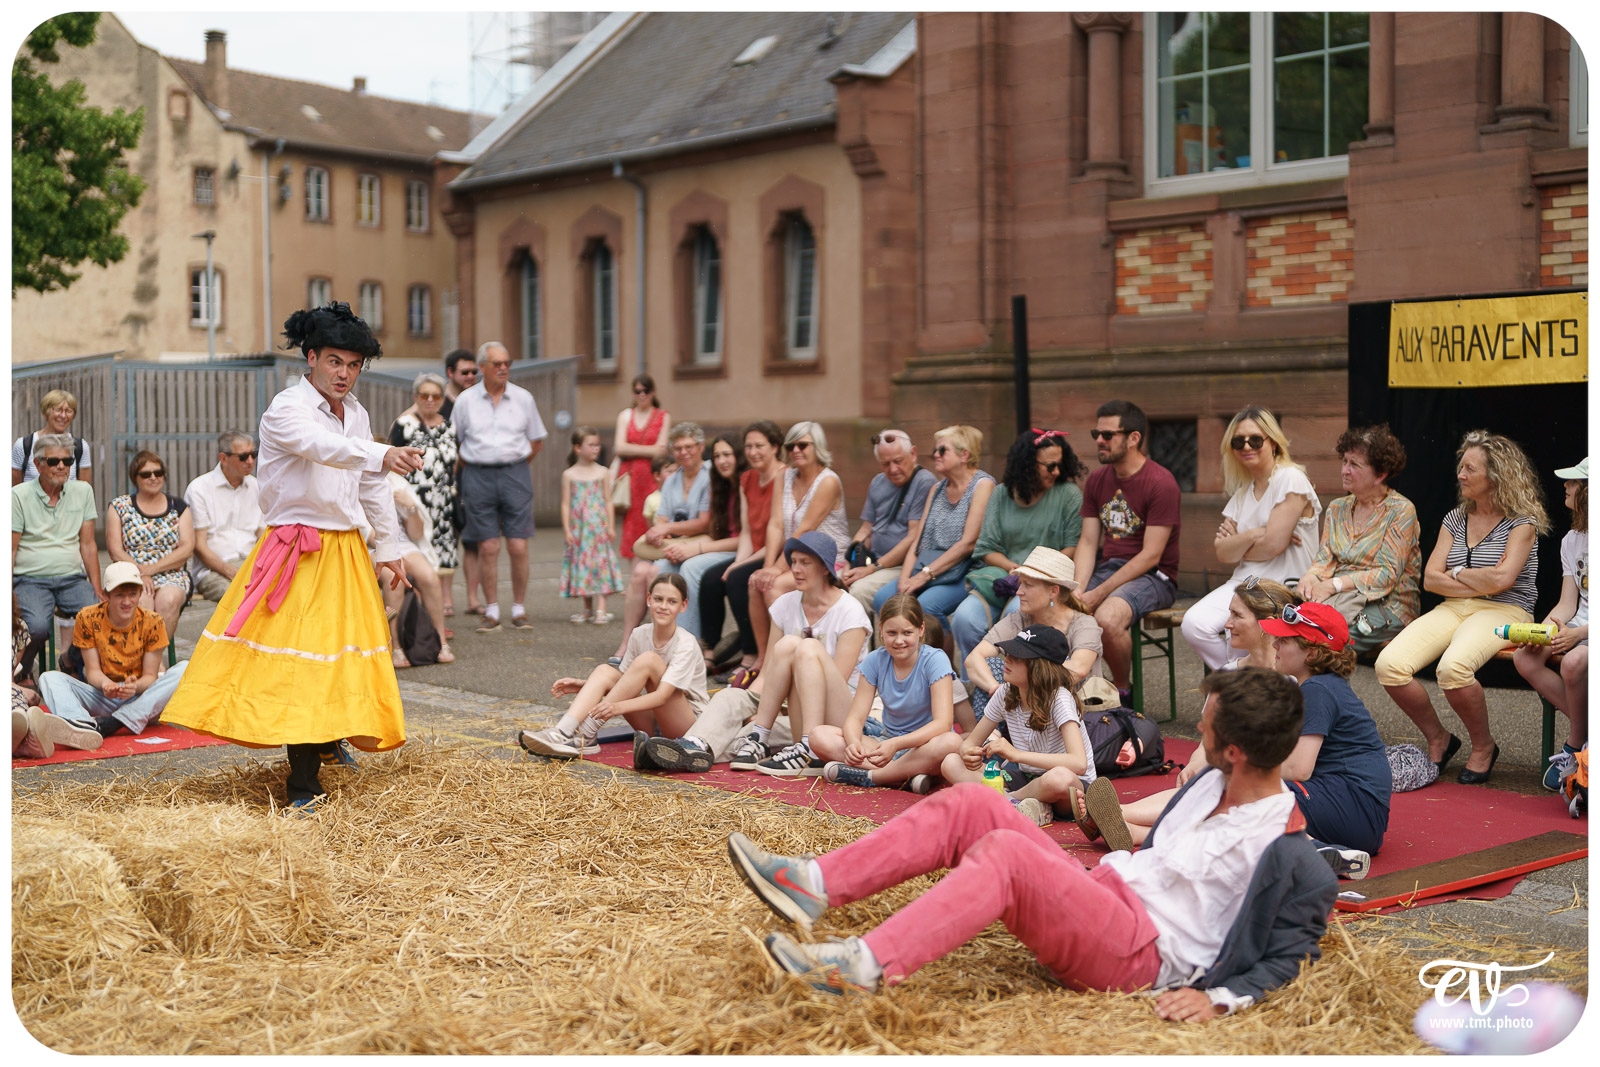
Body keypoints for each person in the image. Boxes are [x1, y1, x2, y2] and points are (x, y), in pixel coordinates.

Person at [725, 666, 1337, 1013]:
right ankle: (812, 885)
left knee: (1009, 854)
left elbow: (1292, 956)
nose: (1196, 724)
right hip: (1105, 894)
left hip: (1139, 953)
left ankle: (862, 966)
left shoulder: (1289, 854)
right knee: (970, 803)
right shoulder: (1210, 781)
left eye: (1206, 723)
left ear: (1235, 749)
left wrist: (1220, 1000)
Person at [161, 301, 423, 811]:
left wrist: (389, 549)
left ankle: (327, 738)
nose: (344, 373)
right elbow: (320, 446)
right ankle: (301, 785)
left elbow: (371, 486)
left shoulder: (358, 413)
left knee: (344, 655)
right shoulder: (287, 407)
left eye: (353, 364)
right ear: (311, 357)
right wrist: (380, 451)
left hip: (344, 548)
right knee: (300, 665)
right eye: (334, 361)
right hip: (295, 549)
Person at [1093, 600, 1390, 879]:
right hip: (1352, 809)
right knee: (1234, 795)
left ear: (1311, 653)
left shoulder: (1318, 690)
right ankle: (1128, 826)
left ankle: (1120, 816)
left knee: (1234, 788)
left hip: (1352, 809)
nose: (1275, 644)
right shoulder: (1319, 687)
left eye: (1285, 641)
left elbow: (1299, 769)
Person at [1376, 430, 1547, 786]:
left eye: (1470, 468)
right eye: (1461, 466)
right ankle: (1440, 738)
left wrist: (1457, 573)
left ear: (1496, 477)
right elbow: (1431, 580)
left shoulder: (1521, 523)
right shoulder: (1455, 518)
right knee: (1389, 665)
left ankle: (1483, 746)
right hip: (1453, 607)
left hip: (1505, 611)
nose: (1461, 474)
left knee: (1454, 668)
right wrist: (1476, 578)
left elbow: (1504, 580)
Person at [1181, 407, 1321, 671]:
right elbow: (1223, 554)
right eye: (1238, 441)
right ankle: (1237, 677)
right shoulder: (1244, 492)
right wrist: (1257, 533)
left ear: (1274, 443)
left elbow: (1272, 547)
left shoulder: (1291, 479)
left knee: (1241, 633)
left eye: (1255, 439)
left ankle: (1240, 684)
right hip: (1242, 584)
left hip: (1282, 586)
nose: (1246, 446)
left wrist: (1240, 543)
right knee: (1194, 624)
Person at [519, 573, 709, 765]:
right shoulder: (639, 634)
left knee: (649, 660)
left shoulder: (686, 643)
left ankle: (585, 731)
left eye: (672, 601)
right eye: (658, 599)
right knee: (605, 670)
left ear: (683, 606)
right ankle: (565, 731)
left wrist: (615, 708)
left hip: (687, 729)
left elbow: (662, 697)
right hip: (653, 724)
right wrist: (587, 685)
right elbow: (625, 682)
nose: (663, 606)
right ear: (648, 599)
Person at [1072, 399, 1181, 694]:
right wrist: (1079, 588)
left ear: (1134, 438)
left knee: (1107, 619)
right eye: (1097, 433)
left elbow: (1151, 555)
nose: (1099, 440)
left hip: (1154, 577)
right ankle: (1072, 693)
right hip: (1110, 569)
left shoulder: (1161, 482)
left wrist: (1096, 593)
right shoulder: (1096, 480)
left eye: (1108, 435)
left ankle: (1122, 692)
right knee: (1060, 608)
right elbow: (1088, 540)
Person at [950, 429, 1086, 664]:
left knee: (1017, 614)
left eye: (1060, 465)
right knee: (964, 619)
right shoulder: (1001, 494)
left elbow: (1071, 548)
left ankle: (1011, 683)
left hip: (1045, 581)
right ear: (1027, 464)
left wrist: (1035, 573)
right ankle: (976, 680)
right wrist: (1014, 568)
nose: (1057, 472)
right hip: (1004, 578)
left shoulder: (1069, 495)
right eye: (1049, 466)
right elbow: (986, 548)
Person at [942, 625, 1095, 828]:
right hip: (1027, 779)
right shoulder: (1005, 693)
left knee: (1059, 778)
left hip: (1071, 789)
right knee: (951, 762)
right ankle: (1027, 806)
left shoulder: (1060, 698)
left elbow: (1078, 763)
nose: (1007, 659)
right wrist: (968, 753)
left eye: (1018, 656)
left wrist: (1016, 755)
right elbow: (969, 742)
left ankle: (1006, 800)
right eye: (1009, 653)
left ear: (1040, 667)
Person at [811, 594, 962, 793]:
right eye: (892, 633)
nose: (899, 641)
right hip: (885, 742)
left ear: (921, 630)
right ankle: (905, 776)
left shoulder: (935, 659)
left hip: (923, 745)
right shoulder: (875, 660)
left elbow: (943, 724)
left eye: (907, 632)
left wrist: (896, 744)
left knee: (951, 742)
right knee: (818, 735)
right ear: (881, 630)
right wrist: (854, 744)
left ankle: (874, 777)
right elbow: (855, 718)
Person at [1296, 424, 1422, 652]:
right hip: (1338, 601)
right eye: (1344, 461)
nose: (1344, 470)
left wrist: (1334, 585)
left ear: (1380, 474)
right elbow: (1324, 560)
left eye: (1354, 464)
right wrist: (1310, 578)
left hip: (1389, 605)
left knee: (1319, 643)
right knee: (1287, 626)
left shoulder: (1401, 511)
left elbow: (1386, 575)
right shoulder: (1337, 508)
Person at [453, 341, 547, 632]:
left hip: (514, 473)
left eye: (507, 363)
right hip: (477, 475)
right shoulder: (466, 401)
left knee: (518, 545)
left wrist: (513, 465)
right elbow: (454, 441)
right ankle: (491, 610)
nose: (504, 368)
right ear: (482, 368)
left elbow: (536, 440)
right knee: (488, 545)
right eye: (497, 364)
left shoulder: (523, 399)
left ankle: (518, 609)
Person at [745, 422, 851, 680]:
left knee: (774, 587)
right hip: (797, 557)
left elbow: (804, 529)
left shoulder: (828, 482)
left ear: (818, 448)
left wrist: (775, 572)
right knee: (755, 583)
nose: (795, 450)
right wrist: (767, 567)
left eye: (802, 445)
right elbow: (776, 524)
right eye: (791, 445)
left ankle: (785, 660)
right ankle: (764, 658)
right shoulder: (785, 476)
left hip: (825, 560)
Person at [37, 561, 189, 738]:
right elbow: (92, 671)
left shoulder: (153, 621)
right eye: (119, 595)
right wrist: (106, 684)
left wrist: (135, 686)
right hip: (103, 694)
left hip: (140, 698)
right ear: (105, 595)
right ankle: (81, 725)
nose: (127, 601)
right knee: (49, 677)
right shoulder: (87, 617)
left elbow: (150, 676)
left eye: (132, 594)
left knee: (185, 668)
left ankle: (118, 721)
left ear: (140, 593)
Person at [872, 425, 996, 632]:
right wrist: (905, 579)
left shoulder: (982, 485)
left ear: (964, 455)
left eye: (942, 450)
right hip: (928, 568)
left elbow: (968, 543)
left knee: (926, 607)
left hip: (963, 571)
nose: (935, 455)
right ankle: (907, 659)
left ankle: (941, 661)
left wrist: (923, 576)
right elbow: (918, 541)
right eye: (934, 451)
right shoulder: (936, 489)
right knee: (884, 599)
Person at [962, 548, 1104, 726]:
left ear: (1053, 591)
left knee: (1057, 661)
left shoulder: (1084, 624)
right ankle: (991, 744)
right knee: (990, 667)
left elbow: (1078, 670)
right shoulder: (1019, 619)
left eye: (1027, 585)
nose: (1019, 592)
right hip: (1027, 704)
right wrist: (996, 689)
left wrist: (1021, 681)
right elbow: (973, 659)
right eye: (1020, 584)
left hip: (1073, 713)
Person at [1513, 457, 1588, 791]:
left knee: (1572, 663)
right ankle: (1589, 733)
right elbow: (1567, 603)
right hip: (1578, 629)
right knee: (1523, 657)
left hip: (1587, 635)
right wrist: (1545, 630)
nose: (1566, 486)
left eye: (1573, 482)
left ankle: (1574, 745)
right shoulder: (1571, 540)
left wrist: (1577, 635)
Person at [611, 423, 711, 660]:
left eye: (689, 447)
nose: (683, 452)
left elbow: (704, 522)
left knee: (662, 572)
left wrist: (666, 528)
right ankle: (630, 642)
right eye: (678, 448)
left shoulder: (709, 475)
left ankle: (673, 641)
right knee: (640, 573)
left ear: (701, 447)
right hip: (672, 546)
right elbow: (662, 520)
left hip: (700, 544)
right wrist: (661, 532)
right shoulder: (673, 480)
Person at [12, 433, 103, 680]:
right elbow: (10, 548)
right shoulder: (18, 495)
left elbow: (88, 544)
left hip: (72, 577)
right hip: (30, 578)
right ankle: (21, 672)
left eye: (68, 461)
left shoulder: (83, 491)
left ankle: (70, 659)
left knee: (99, 618)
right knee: (37, 627)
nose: (61, 466)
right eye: (53, 461)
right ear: (37, 464)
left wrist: (96, 586)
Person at [705, 420, 787, 687]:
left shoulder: (785, 476)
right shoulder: (747, 478)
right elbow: (748, 532)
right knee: (712, 579)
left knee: (740, 578)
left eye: (760, 446)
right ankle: (711, 650)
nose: (753, 452)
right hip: (755, 550)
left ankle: (751, 655)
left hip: (778, 551)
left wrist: (740, 567)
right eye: (749, 446)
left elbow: (781, 532)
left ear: (775, 447)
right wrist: (738, 562)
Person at [840, 429, 937, 616]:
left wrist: (871, 569)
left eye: (898, 461)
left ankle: (862, 645)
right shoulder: (877, 482)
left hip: (900, 565)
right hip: (873, 560)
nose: (892, 469)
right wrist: (850, 562)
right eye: (885, 464)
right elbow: (865, 529)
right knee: (831, 583)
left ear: (913, 453)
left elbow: (913, 537)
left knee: (859, 590)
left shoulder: (924, 482)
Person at [387, 373, 461, 613]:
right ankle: (419, 619)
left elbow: (454, 464)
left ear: (442, 399)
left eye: (436, 395)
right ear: (416, 397)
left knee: (440, 558)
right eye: (424, 395)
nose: (430, 400)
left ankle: (437, 611)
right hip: (415, 501)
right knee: (419, 555)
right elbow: (392, 460)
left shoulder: (450, 426)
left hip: (443, 504)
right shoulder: (405, 424)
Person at [107, 449, 194, 639]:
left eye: (158, 473)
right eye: (146, 474)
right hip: (132, 573)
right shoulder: (119, 507)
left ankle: (154, 658)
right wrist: (139, 572)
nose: (153, 478)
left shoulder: (178, 507)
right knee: (140, 601)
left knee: (168, 600)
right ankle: (148, 662)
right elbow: (115, 550)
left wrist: (151, 570)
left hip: (171, 573)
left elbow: (187, 548)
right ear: (135, 478)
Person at [670, 433, 745, 648]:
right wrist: (686, 545)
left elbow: (745, 539)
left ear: (739, 456)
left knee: (692, 567)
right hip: (723, 547)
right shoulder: (720, 487)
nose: (721, 461)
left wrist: (699, 548)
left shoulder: (746, 485)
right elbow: (716, 533)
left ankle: (687, 645)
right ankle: (665, 640)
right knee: (662, 567)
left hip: (744, 550)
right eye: (717, 456)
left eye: (727, 454)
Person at [381, 469, 453, 667]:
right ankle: (395, 646)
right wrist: (391, 554)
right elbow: (365, 532)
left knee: (429, 576)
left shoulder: (397, 483)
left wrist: (410, 506)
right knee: (393, 575)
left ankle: (440, 641)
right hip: (373, 546)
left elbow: (416, 533)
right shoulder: (357, 482)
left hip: (403, 544)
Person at [13, 604, 103, 758]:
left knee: (19, 711)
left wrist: (16, 688)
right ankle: (26, 743)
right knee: (17, 709)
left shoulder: (18, 628)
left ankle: (27, 735)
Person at [186, 431, 265, 603]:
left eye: (253, 454)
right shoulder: (199, 488)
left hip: (251, 566)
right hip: (213, 571)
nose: (250, 461)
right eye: (243, 456)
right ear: (223, 458)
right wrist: (230, 571)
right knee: (240, 600)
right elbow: (199, 545)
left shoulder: (257, 486)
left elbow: (262, 537)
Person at [560, 426, 625, 625]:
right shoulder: (569, 475)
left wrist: (611, 526)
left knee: (600, 564)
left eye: (598, 445)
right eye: (591, 445)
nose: (596, 448)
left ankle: (601, 609)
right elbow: (565, 503)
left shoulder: (603, 472)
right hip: (580, 531)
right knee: (583, 565)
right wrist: (567, 530)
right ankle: (587, 609)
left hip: (598, 529)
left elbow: (607, 500)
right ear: (578, 448)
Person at [614, 374, 672, 560]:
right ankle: (633, 576)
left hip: (652, 476)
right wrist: (650, 449)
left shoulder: (663, 416)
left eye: (646, 391)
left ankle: (652, 565)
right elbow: (619, 447)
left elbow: (662, 451)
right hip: (630, 478)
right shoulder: (625, 415)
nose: (642, 395)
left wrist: (632, 449)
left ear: (653, 392)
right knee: (631, 524)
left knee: (653, 517)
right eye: (638, 391)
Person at [11, 389, 92, 485]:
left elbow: (84, 489)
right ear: (45, 412)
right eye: (58, 410)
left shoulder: (80, 447)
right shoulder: (23, 445)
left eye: (68, 411)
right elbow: (14, 490)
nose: (63, 415)